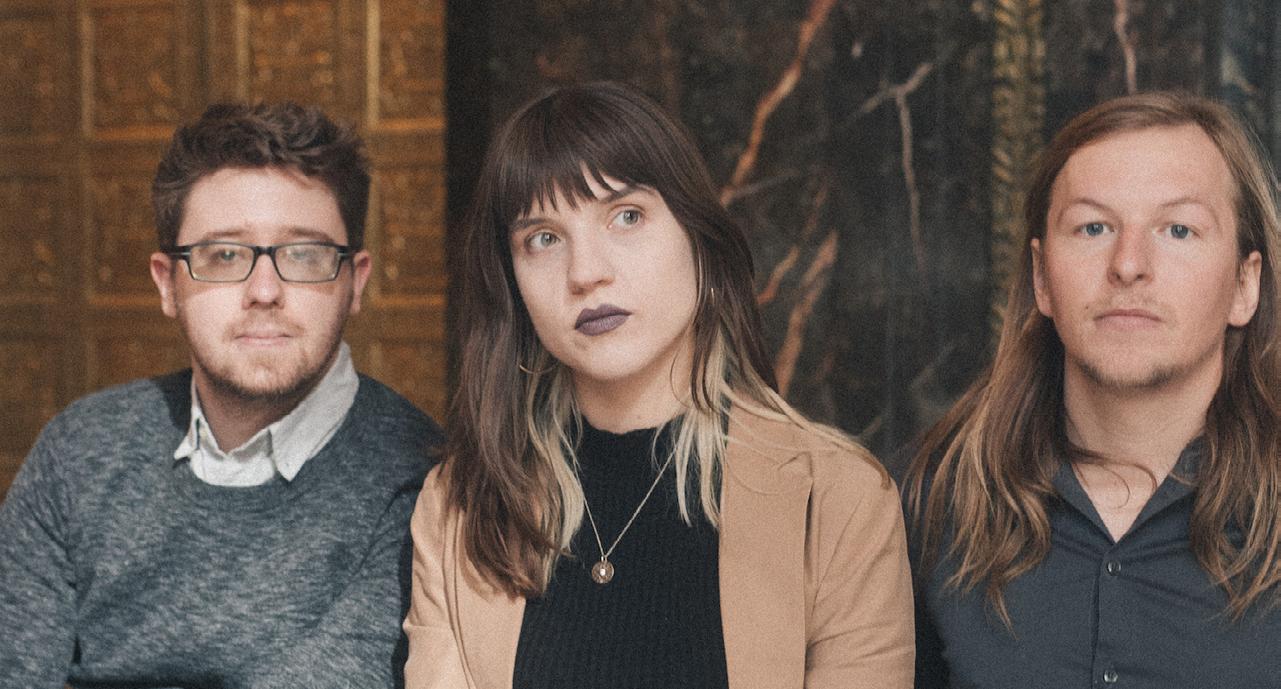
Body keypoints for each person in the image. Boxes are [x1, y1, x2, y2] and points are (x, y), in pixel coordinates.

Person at [402, 81, 913, 689]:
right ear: (512, 284)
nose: (586, 272)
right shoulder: (459, 507)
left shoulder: (838, 501)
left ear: (699, 240)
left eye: (627, 216)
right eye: (543, 238)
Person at [0, 102, 442, 688]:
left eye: (304, 255)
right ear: (167, 283)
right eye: (225, 255)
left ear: (354, 282)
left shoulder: (426, 482)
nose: (265, 290)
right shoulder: (78, 453)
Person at [903, 91, 1281, 688]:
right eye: (1093, 227)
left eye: (1178, 229)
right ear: (1041, 278)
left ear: (1244, 285)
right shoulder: (934, 501)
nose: (1128, 264)